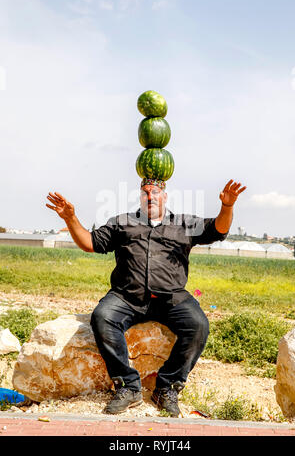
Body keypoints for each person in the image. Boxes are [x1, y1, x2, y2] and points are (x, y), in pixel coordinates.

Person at [46, 178, 246, 417]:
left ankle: (167, 388)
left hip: (172, 298)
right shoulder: (122, 223)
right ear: (140, 197)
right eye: (145, 193)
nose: (150, 196)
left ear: (165, 196)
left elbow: (218, 230)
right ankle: (128, 387)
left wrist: (227, 206)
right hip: (126, 296)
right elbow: (90, 243)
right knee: (103, 316)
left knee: (198, 324)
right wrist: (70, 218)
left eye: (155, 192)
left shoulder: (184, 224)